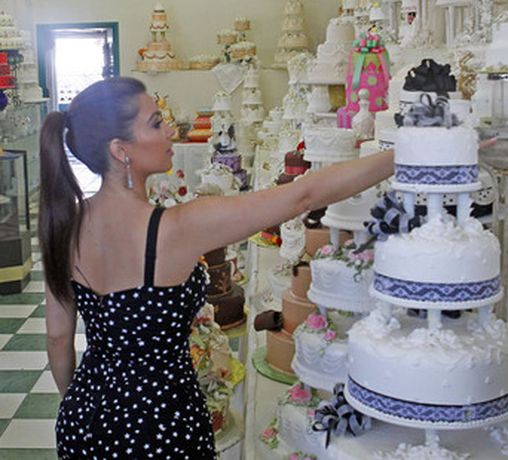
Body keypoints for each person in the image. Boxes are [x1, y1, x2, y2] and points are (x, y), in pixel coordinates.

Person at [41, 77, 394, 459]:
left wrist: (83, 402)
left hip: (86, 417)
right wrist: (401, 154)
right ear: (119, 149)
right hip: (162, 424)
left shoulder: (64, 226)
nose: (170, 131)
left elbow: (58, 338)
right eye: (156, 123)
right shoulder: (176, 228)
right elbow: (302, 195)